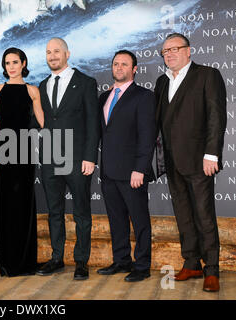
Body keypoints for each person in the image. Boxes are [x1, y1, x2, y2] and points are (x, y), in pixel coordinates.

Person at [154, 33, 227, 292]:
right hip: (172, 161)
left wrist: (212, 154)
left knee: (205, 216)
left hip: (199, 160)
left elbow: (216, 117)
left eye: (175, 49)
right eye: (165, 51)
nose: (170, 54)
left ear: (188, 51)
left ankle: (212, 270)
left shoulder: (207, 75)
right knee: (183, 215)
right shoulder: (162, 82)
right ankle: (192, 263)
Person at [36, 38, 101, 280]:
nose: (52, 56)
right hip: (50, 160)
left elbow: (93, 123)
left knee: (81, 212)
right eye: (48, 52)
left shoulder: (85, 82)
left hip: (77, 160)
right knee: (54, 212)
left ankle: (81, 262)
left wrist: (90, 157)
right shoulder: (42, 85)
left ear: (67, 53)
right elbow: (40, 121)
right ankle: (56, 258)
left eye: (56, 51)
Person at [96, 50, 156, 282]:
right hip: (109, 171)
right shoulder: (104, 97)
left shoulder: (143, 96)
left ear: (134, 69)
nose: (119, 67)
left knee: (140, 220)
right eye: (115, 64)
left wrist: (140, 168)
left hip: (133, 172)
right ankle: (122, 261)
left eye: (124, 64)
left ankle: (142, 266)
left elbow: (146, 135)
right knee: (116, 220)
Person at [0, 47, 44, 277]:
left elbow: (43, 121)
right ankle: (7, 260)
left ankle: (26, 261)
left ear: (23, 63)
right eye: (7, 63)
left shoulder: (32, 91)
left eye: (14, 62)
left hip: (25, 152)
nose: (10, 66)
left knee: (24, 204)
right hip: (3, 151)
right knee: (5, 205)